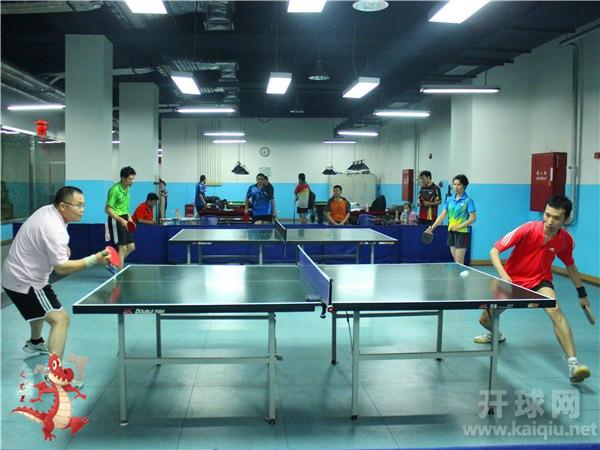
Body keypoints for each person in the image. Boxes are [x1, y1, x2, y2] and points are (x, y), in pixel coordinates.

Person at [475, 195, 591, 383]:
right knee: (484, 320)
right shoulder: (527, 229)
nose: (550, 221)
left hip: (540, 281)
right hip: (512, 280)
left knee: (556, 311)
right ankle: (497, 334)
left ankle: (573, 364)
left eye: (556, 218)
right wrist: (503, 275)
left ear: (566, 220)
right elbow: (494, 251)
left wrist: (582, 293)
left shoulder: (565, 241)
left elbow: (570, 266)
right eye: (547, 215)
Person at [1, 186, 110, 363]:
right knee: (60, 319)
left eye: (83, 205)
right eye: (78, 205)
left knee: (40, 310)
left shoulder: (48, 211)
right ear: (63, 206)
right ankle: (54, 374)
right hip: (25, 280)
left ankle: (35, 342)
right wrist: (94, 259)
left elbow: (46, 244)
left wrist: (62, 250)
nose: (82, 209)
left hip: (18, 274)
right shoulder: (54, 228)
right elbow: (61, 268)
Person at [425, 174, 476, 264]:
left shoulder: (468, 200)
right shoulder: (449, 200)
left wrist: (459, 227)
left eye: (458, 184)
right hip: (451, 231)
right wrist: (432, 228)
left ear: (464, 186)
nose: (456, 187)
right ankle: (459, 273)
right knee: (456, 260)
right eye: (454, 184)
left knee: (459, 261)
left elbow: (473, 218)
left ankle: (461, 273)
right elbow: (442, 215)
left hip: (462, 233)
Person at [106, 166, 136, 271]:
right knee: (122, 248)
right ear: (123, 178)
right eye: (130, 179)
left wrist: (130, 219)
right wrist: (120, 220)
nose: (132, 181)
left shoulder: (127, 189)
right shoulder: (114, 190)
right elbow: (107, 209)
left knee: (131, 247)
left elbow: (125, 208)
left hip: (125, 218)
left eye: (133, 179)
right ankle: (119, 273)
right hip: (116, 219)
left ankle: (113, 264)